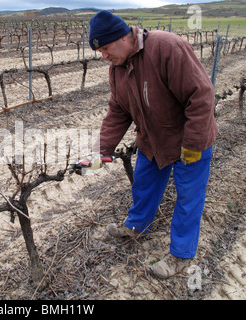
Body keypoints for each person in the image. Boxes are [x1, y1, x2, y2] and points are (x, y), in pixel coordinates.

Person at [86, 10, 218, 279]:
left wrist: (192, 144)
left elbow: (201, 96)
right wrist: (100, 151)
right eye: (100, 52)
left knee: (188, 198)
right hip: (152, 139)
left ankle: (181, 255)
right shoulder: (117, 69)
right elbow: (118, 112)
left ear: (123, 37)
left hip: (189, 139)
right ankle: (136, 226)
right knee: (144, 184)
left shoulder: (166, 47)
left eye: (106, 48)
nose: (104, 56)